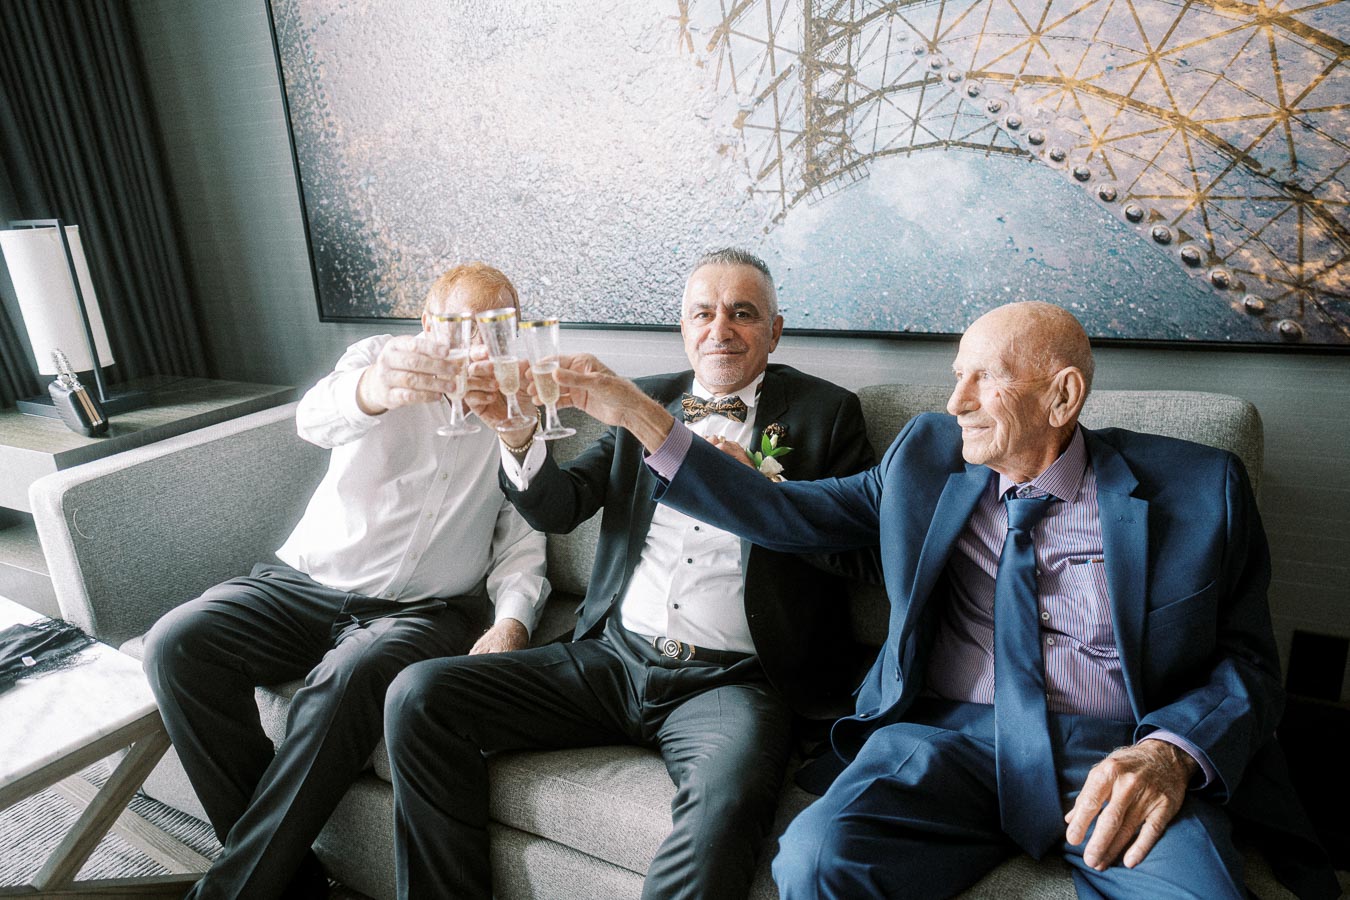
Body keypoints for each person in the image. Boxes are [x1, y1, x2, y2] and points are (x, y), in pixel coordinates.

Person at [530, 300, 1338, 899]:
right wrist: (639, 415)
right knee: (814, 860)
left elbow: (1248, 666)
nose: (954, 402)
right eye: (957, 374)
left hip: (1117, 752)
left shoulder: (1199, 489)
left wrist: (1169, 755)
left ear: (1061, 399)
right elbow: (784, 513)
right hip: (948, 741)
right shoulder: (928, 456)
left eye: (983, 379)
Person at [382, 248, 875, 900]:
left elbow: (858, 549)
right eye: (703, 313)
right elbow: (559, 508)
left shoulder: (827, 414)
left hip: (732, 683)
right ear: (682, 326)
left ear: (775, 331)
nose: (720, 329)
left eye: (743, 314)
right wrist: (518, 440)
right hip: (612, 660)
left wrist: (762, 492)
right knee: (418, 696)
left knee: (724, 809)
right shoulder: (642, 402)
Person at [142, 263, 550, 900]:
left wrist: (511, 621)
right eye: (458, 326)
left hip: (421, 611)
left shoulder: (525, 404)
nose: (476, 345)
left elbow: (524, 535)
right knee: (176, 644)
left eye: (494, 328)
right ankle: (292, 883)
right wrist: (375, 389)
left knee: (352, 676)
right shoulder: (375, 360)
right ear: (425, 327)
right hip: (300, 585)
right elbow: (314, 421)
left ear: (514, 333)